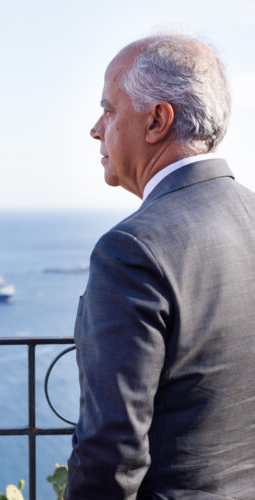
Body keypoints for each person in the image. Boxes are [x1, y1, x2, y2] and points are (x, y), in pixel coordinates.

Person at [66, 34, 255, 499]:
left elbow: (111, 453)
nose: (95, 129)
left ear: (156, 121)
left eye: (109, 111)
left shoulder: (132, 250)